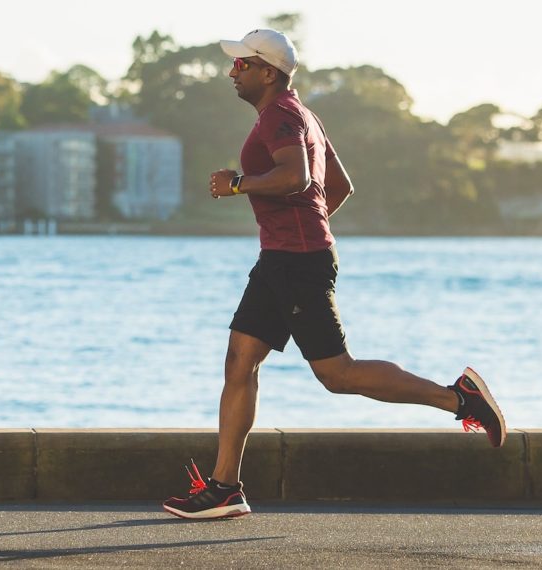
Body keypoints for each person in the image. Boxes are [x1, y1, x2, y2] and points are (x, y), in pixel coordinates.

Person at [162, 29, 506, 520]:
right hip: (285, 258)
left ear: (268, 72)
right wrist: (306, 227)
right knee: (240, 361)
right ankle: (224, 488)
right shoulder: (303, 115)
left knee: (337, 374)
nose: (232, 72)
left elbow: (299, 178)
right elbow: (338, 186)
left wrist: (240, 184)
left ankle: (459, 399)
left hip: (295, 262)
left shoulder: (282, 115)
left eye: (242, 64)